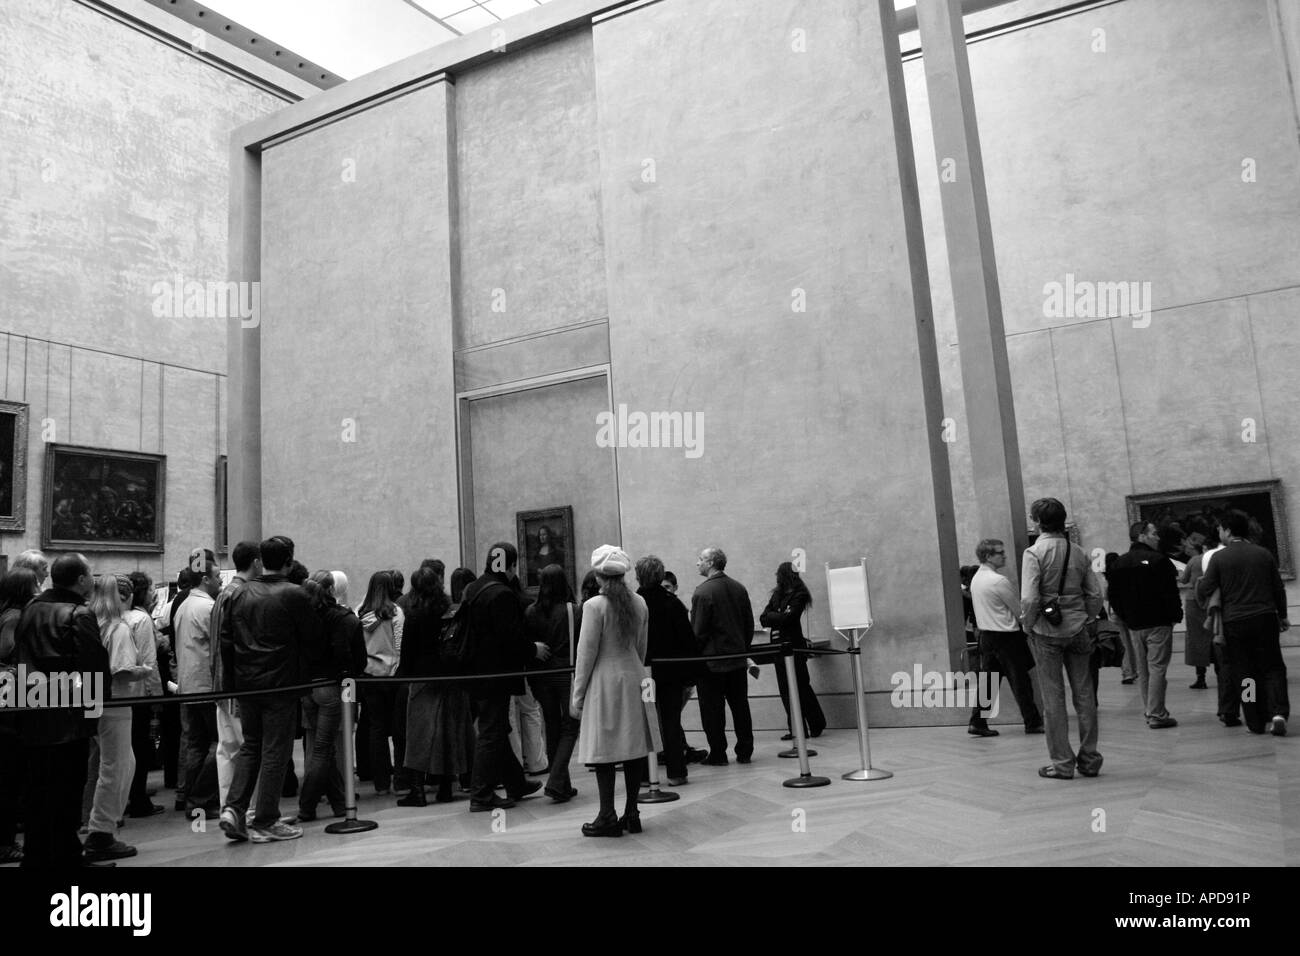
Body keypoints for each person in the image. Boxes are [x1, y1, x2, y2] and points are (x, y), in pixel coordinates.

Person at [219, 535, 320, 843]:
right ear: (289, 561)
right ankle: (265, 819)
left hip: (247, 684)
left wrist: (232, 684)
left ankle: (234, 808)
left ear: (262, 560)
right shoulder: (294, 594)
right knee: (275, 751)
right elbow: (312, 640)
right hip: (280, 684)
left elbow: (226, 640)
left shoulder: (238, 593)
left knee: (251, 746)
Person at [14, 554, 108, 868]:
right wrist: (94, 714)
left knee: (37, 791)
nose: (92, 580)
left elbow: (21, 657)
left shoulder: (30, 608)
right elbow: (92, 667)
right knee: (68, 791)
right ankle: (68, 856)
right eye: (90, 574)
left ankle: (36, 856)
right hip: (68, 716)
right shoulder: (79, 613)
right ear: (81, 579)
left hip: (33, 709)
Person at [571, 545, 655, 837]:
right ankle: (632, 812)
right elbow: (641, 647)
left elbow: (586, 654)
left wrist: (577, 694)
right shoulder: (640, 602)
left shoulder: (594, 606)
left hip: (604, 681)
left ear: (597, 574)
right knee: (634, 748)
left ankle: (607, 815)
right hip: (635, 676)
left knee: (604, 750)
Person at [1021, 498, 1103, 779]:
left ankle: (1062, 763)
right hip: (1078, 627)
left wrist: (1027, 625)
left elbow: (1030, 598)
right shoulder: (1078, 551)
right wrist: (1087, 618)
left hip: (1046, 631)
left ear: (1036, 521)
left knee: (1053, 698)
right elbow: (1095, 594)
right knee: (1085, 694)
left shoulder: (1033, 553)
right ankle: (1090, 759)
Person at [464, 543, 546, 812]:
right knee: (491, 731)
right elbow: (510, 638)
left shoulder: (474, 588)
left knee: (499, 728)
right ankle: (481, 794)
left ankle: (515, 783)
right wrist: (533, 649)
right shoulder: (503, 594)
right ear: (510, 566)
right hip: (495, 674)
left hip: (476, 673)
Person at [1196, 510, 1290, 736]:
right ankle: (1278, 712)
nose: (1219, 533)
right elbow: (1278, 588)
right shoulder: (1263, 554)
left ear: (1228, 530)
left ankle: (1254, 720)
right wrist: (1283, 615)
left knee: (1245, 672)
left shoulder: (1219, 558)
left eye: (1220, 529)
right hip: (1265, 617)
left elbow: (1205, 588)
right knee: (1273, 667)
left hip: (1235, 622)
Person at [84, 573, 151, 862]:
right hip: (116, 703)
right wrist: (144, 670)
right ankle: (101, 832)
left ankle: (96, 822)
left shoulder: (89, 624)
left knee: (107, 765)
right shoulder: (118, 628)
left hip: (90, 701)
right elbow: (121, 670)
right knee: (117, 767)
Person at [400, 565, 473, 805]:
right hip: (451, 677)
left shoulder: (414, 614)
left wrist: (402, 677)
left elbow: (408, 652)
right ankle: (446, 788)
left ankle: (417, 790)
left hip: (423, 678)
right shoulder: (450, 610)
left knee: (419, 736)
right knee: (449, 734)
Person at [295, 570, 363, 822]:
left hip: (307, 689)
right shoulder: (343, 618)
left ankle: (338, 803)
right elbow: (356, 658)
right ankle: (307, 805)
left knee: (322, 750)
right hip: (333, 688)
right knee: (324, 749)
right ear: (333, 590)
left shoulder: (304, 617)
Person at [1108, 521, 1183, 729]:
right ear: (1142, 536)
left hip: (1134, 624)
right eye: (1154, 533)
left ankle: (1149, 709)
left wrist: (1125, 617)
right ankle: (1156, 713)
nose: (1158, 537)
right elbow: (1171, 592)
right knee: (1157, 667)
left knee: (1143, 670)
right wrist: (1176, 615)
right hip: (1158, 622)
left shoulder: (1119, 563)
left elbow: (1113, 596)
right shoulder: (1159, 560)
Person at [969, 539, 1043, 734]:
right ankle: (1033, 722)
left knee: (989, 683)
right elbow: (1019, 611)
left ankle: (977, 722)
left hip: (987, 637)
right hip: (1007, 637)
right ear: (988, 556)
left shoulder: (976, 578)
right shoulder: (998, 581)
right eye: (1000, 553)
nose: (1004, 555)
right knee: (1021, 682)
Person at [636, 555, 698, 786]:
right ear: (661, 576)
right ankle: (676, 772)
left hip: (643, 673)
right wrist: (690, 674)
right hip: (671, 672)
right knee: (671, 721)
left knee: (645, 723)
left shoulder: (633, 602)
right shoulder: (672, 603)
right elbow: (687, 639)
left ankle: (644, 775)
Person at [691, 547, 755, 765]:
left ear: (710, 563)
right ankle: (745, 750)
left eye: (700, 559)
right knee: (740, 706)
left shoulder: (703, 592)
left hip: (712, 663)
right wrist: (743, 648)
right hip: (737, 659)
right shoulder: (739, 588)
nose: (697, 563)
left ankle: (718, 753)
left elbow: (698, 631)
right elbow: (748, 624)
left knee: (712, 712)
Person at [209, 541, 259, 806]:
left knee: (227, 751)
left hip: (221, 684)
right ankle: (247, 811)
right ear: (256, 562)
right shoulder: (242, 594)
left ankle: (229, 807)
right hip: (238, 686)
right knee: (247, 750)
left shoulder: (222, 594)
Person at [526, 564, 581, 802]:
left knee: (552, 726)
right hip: (565, 673)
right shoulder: (573, 610)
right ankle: (556, 780)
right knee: (570, 727)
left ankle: (563, 785)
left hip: (540, 676)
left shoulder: (531, 611)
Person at [175, 549, 222, 817]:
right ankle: (201, 799)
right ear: (205, 579)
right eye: (216, 576)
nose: (220, 581)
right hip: (205, 684)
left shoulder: (185, 605)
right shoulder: (207, 607)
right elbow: (217, 648)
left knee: (196, 746)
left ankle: (191, 798)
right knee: (218, 744)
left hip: (188, 685)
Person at [760, 561, 826, 741]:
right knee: (785, 689)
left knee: (802, 686)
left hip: (794, 646)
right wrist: (780, 615)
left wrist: (777, 615)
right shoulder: (776, 595)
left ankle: (816, 723)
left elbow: (790, 617)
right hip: (778, 647)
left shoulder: (800, 594)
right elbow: (763, 618)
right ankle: (797, 728)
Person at [0, 567, 40, 864]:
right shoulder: (14, 617)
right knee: (8, 777)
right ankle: (5, 843)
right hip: (10, 706)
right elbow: (7, 656)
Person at [358, 571, 402, 796]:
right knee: (396, 727)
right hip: (392, 674)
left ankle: (381, 783)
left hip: (369, 675)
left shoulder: (360, 612)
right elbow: (399, 644)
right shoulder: (396, 612)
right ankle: (401, 779)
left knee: (375, 729)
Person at [123, 572, 163, 818]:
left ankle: (126, 795)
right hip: (139, 692)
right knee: (140, 746)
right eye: (149, 590)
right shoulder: (141, 619)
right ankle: (138, 799)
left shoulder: (117, 616)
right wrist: (157, 695)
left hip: (117, 693)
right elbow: (150, 661)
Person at [1178, 533, 1213, 689]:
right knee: (1213, 634)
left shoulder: (1193, 560)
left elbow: (1184, 579)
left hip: (1193, 600)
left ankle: (1201, 677)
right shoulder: (1211, 559)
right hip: (1210, 600)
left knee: (1196, 638)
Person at [1102, 552, 1138, 685]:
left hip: (1116, 614)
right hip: (1130, 612)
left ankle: (1127, 673)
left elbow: (1106, 597)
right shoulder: (1127, 575)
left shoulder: (1108, 578)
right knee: (1135, 643)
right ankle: (1137, 670)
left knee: (1123, 644)